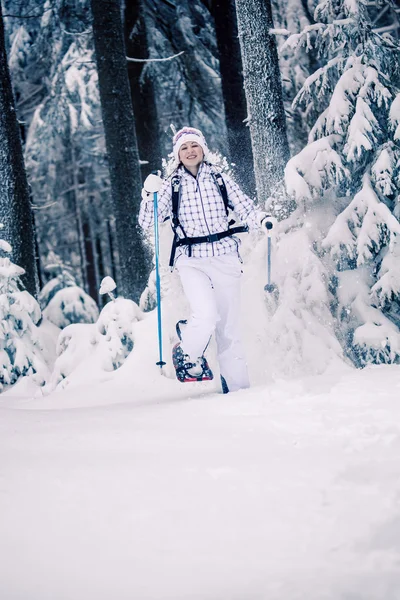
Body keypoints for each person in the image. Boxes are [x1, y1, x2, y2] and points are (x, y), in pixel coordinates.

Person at [139, 126, 270, 393]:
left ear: (203, 149)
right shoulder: (170, 185)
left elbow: (245, 207)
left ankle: (239, 391)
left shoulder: (220, 179)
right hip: (191, 259)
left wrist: (263, 220)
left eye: (194, 146)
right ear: (177, 154)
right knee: (207, 315)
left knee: (230, 330)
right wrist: (147, 197)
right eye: (184, 148)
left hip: (225, 257)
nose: (190, 151)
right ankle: (187, 351)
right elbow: (146, 221)